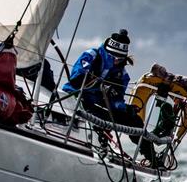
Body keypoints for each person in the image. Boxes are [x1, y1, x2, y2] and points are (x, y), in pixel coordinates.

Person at [61, 29, 152, 160]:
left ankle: (152, 158)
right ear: (107, 51)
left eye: (120, 58)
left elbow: (117, 100)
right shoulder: (91, 55)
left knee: (134, 120)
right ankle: (100, 145)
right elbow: (76, 80)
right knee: (98, 118)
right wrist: (100, 85)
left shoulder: (123, 75)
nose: (116, 60)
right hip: (77, 97)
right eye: (113, 56)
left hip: (98, 104)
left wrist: (124, 108)